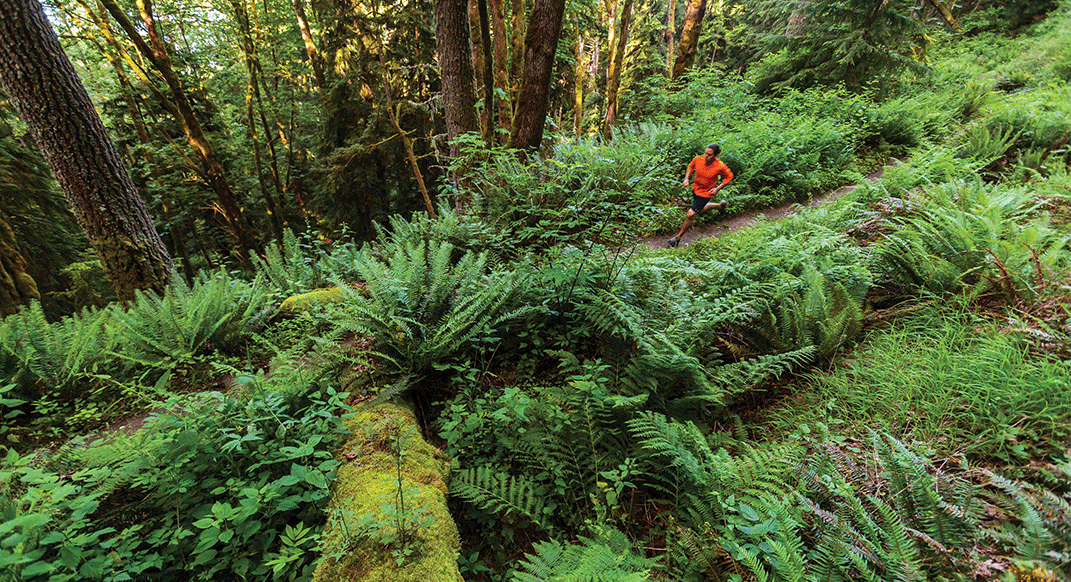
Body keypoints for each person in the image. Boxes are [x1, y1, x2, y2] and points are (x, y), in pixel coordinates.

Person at [668, 143, 733, 247]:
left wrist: (717, 188)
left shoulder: (720, 166)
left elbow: (729, 176)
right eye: (705, 153)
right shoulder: (698, 159)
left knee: (691, 214)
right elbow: (690, 166)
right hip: (696, 189)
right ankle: (720, 206)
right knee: (699, 210)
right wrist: (686, 178)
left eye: (709, 155)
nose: (705, 156)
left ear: (715, 155)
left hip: (706, 193)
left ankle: (678, 238)